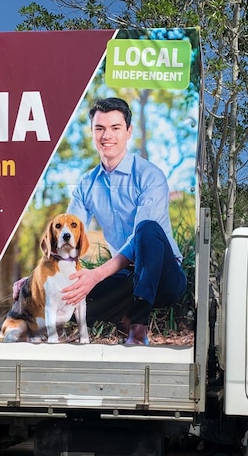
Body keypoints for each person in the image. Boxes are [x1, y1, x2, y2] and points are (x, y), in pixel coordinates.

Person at [61, 97, 187, 345]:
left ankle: (138, 327)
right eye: (100, 128)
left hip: (163, 276)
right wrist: (40, 276)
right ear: (92, 132)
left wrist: (96, 275)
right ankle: (121, 314)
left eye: (115, 128)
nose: (107, 136)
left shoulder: (150, 176)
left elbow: (140, 241)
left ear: (128, 132)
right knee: (67, 292)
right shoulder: (87, 184)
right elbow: (67, 238)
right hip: (126, 278)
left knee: (147, 230)